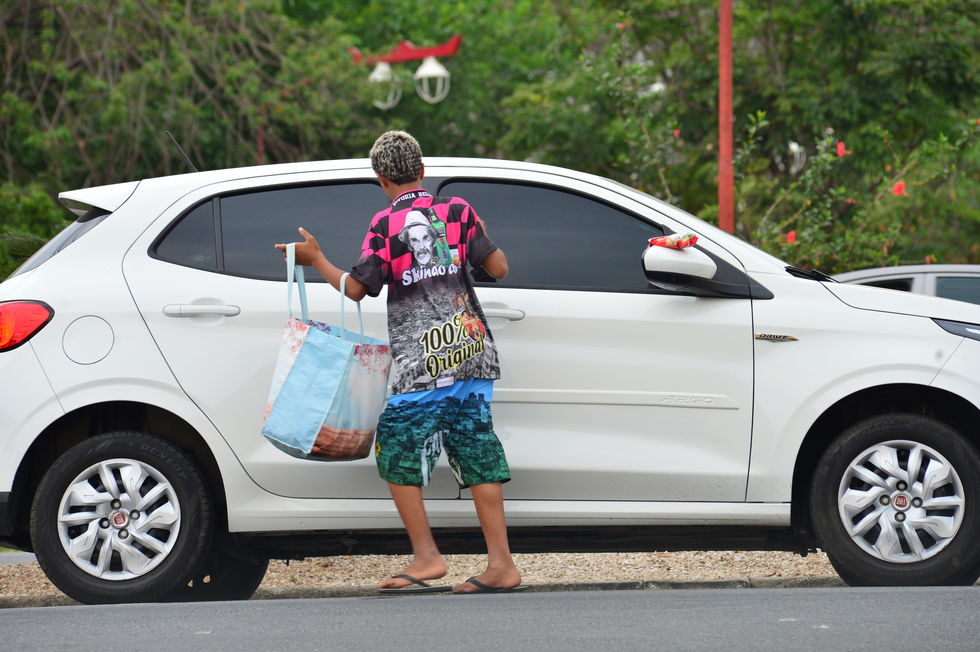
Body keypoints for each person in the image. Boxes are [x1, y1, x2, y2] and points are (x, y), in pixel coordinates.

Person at [275, 131, 522, 594]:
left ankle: (428, 556)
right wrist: (478, 233)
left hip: (423, 362)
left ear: (381, 178)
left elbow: (355, 288)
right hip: (470, 351)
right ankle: (501, 564)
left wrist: (315, 258)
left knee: (394, 444)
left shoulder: (385, 224)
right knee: (476, 447)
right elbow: (500, 268)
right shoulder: (458, 212)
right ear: (422, 171)